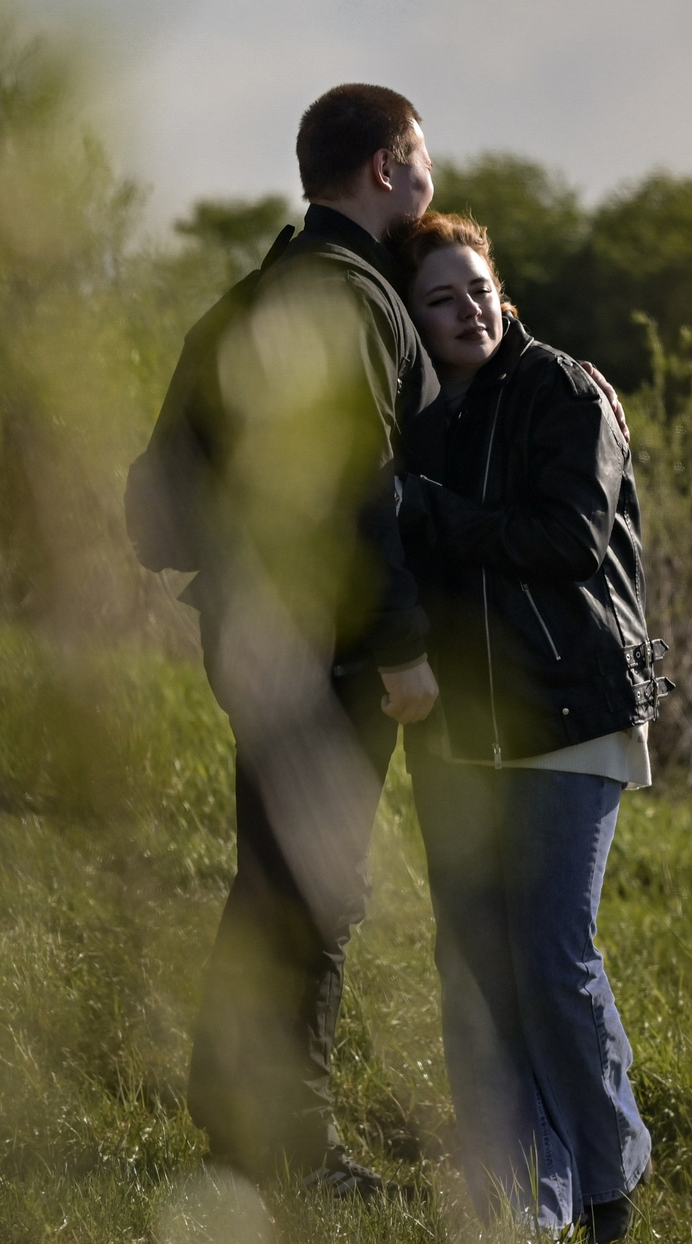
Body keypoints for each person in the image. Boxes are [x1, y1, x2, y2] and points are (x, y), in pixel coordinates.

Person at [129, 83, 442, 1195]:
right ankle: (291, 1146)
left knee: (277, 875)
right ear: (390, 162)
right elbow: (362, 484)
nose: (427, 176)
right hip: (327, 640)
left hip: (256, 631)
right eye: (423, 156)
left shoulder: (256, 292)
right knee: (313, 886)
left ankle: (234, 1111)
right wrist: (404, 646)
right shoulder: (350, 298)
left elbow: (149, 508)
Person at [390, 211, 669, 1242]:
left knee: (551, 954)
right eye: (440, 297)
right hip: (460, 724)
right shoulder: (414, 413)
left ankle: (606, 1183)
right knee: (471, 967)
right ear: (411, 318)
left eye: (477, 286)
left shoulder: (564, 387)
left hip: (568, 711)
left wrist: (424, 505)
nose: (467, 308)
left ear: (501, 289)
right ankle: (521, 1207)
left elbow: (568, 535)